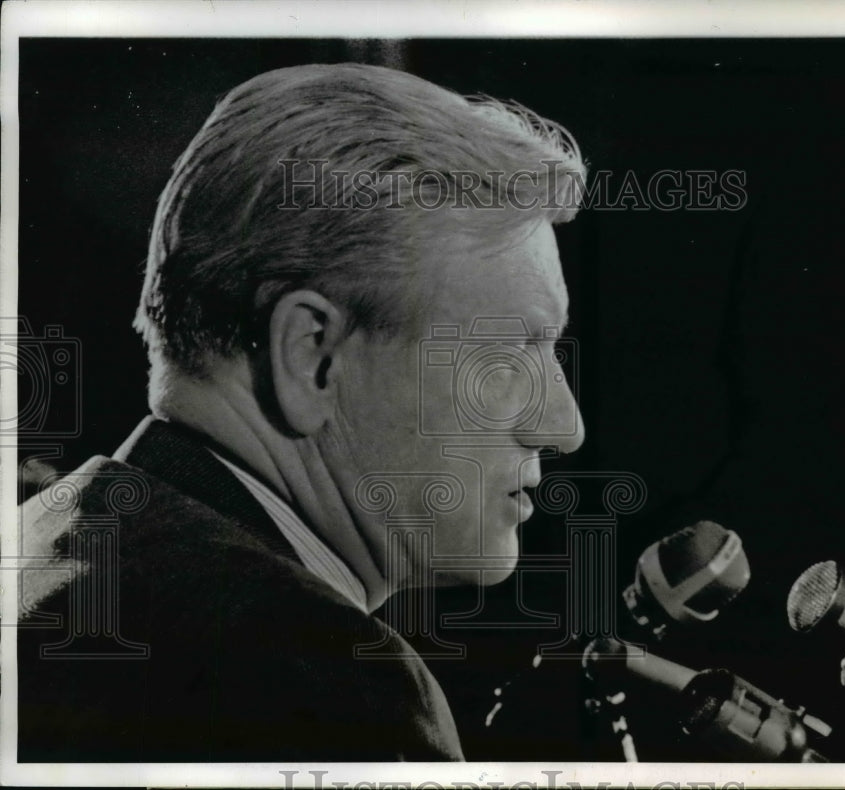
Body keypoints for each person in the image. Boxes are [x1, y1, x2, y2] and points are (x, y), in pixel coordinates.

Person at [17, 63, 585, 762]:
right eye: (506, 354)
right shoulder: (316, 678)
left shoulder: (36, 548)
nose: (563, 427)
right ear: (312, 356)